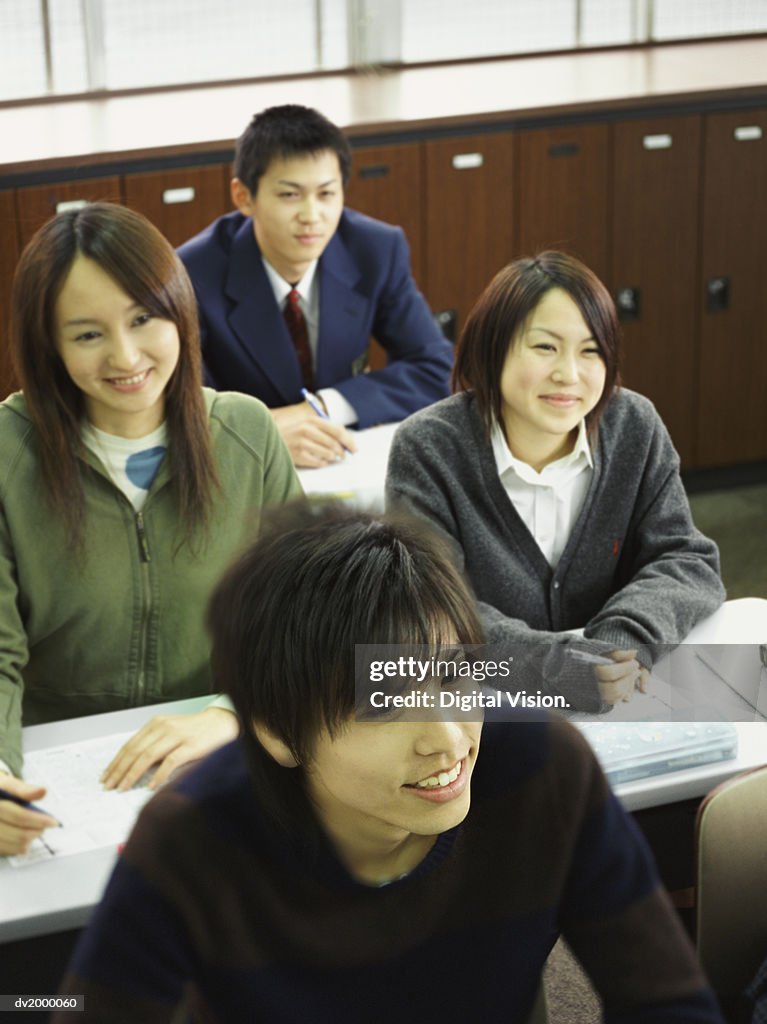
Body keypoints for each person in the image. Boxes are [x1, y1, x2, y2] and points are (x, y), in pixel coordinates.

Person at [54, 501, 724, 1023]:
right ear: (278, 733)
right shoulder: (193, 838)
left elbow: (665, 1002)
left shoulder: (542, 768)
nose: (447, 738)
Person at [0, 202, 301, 857]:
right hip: (59, 772)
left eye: (143, 319)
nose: (126, 356)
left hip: (213, 758)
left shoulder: (246, 434)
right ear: (47, 343)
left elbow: (308, 625)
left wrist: (230, 714)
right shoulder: (6, 453)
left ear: (179, 312)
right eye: (87, 334)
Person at [386, 251, 725, 712]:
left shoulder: (633, 426)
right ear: (493, 348)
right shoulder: (429, 447)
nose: (569, 374)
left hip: (627, 701)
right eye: (545, 347)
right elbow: (428, 610)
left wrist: (619, 644)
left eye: (591, 351)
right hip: (483, 714)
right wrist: (555, 670)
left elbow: (685, 558)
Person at [177, 104, 453, 468]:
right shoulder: (193, 274)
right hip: (244, 470)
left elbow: (433, 367)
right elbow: (182, 407)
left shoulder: (375, 249)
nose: (312, 216)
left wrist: (321, 408)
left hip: (340, 462)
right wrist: (264, 434)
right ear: (244, 196)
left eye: (326, 194)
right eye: (289, 195)